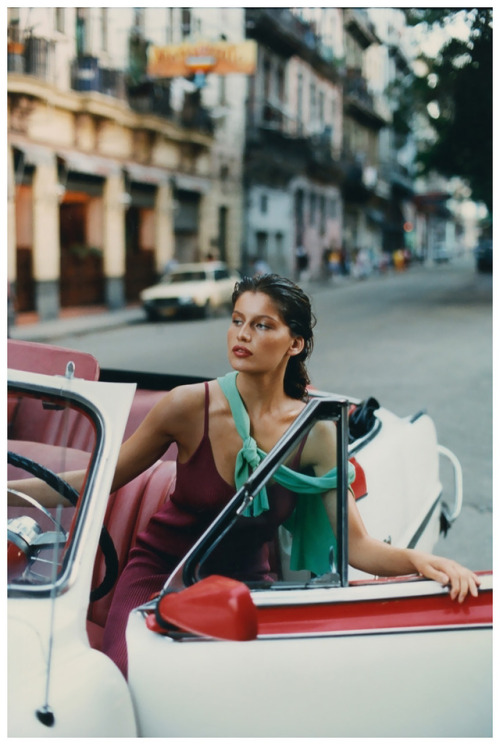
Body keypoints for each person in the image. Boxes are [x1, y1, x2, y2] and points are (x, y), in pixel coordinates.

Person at [8, 274, 481, 678]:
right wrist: (9, 491)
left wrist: (424, 565)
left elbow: (358, 547)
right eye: (238, 320)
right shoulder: (188, 406)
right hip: (159, 575)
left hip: (247, 585)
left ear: (294, 343)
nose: (243, 334)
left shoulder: (316, 433)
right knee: (128, 679)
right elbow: (96, 478)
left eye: (262, 325)